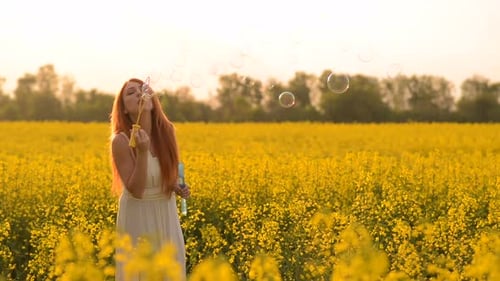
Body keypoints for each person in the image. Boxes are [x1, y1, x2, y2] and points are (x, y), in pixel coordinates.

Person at [109, 78, 190, 280]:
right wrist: (143, 153)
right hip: (138, 216)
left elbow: (168, 177)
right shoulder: (120, 140)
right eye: (131, 93)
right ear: (124, 110)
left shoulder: (167, 132)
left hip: (166, 213)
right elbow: (136, 190)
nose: (138, 94)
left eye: (142, 90)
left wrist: (176, 187)